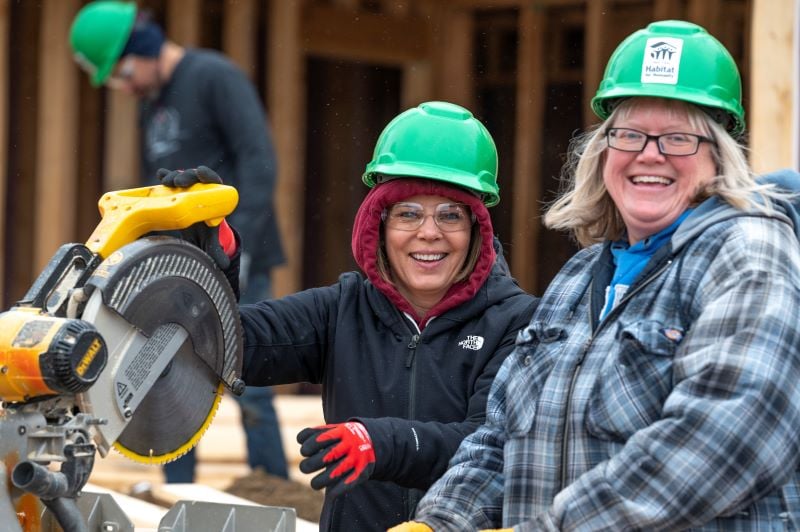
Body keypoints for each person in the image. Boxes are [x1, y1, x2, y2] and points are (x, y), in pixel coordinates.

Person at [392, 20, 800, 531]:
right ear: (603, 152)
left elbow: (729, 438)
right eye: (629, 134)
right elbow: (500, 439)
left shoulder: (748, 253)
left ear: (717, 154)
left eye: (678, 137)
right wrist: (441, 520)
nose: (650, 154)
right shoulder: (580, 276)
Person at [157, 101, 539, 530]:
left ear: (476, 229)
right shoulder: (344, 309)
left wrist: (381, 443)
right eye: (408, 213)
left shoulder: (519, 324)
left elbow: (491, 446)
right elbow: (232, 347)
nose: (429, 232)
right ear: (379, 223)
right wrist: (212, 265)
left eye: (450, 214)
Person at [68, 1, 288, 483]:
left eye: (122, 72)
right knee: (166, 373)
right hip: (179, 264)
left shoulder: (213, 76)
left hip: (231, 253)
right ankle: (179, 489)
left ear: (141, 47)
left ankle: (269, 485)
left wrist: (240, 246)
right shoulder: (155, 103)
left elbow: (259, 161)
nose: (124, 87)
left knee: (247, 369)